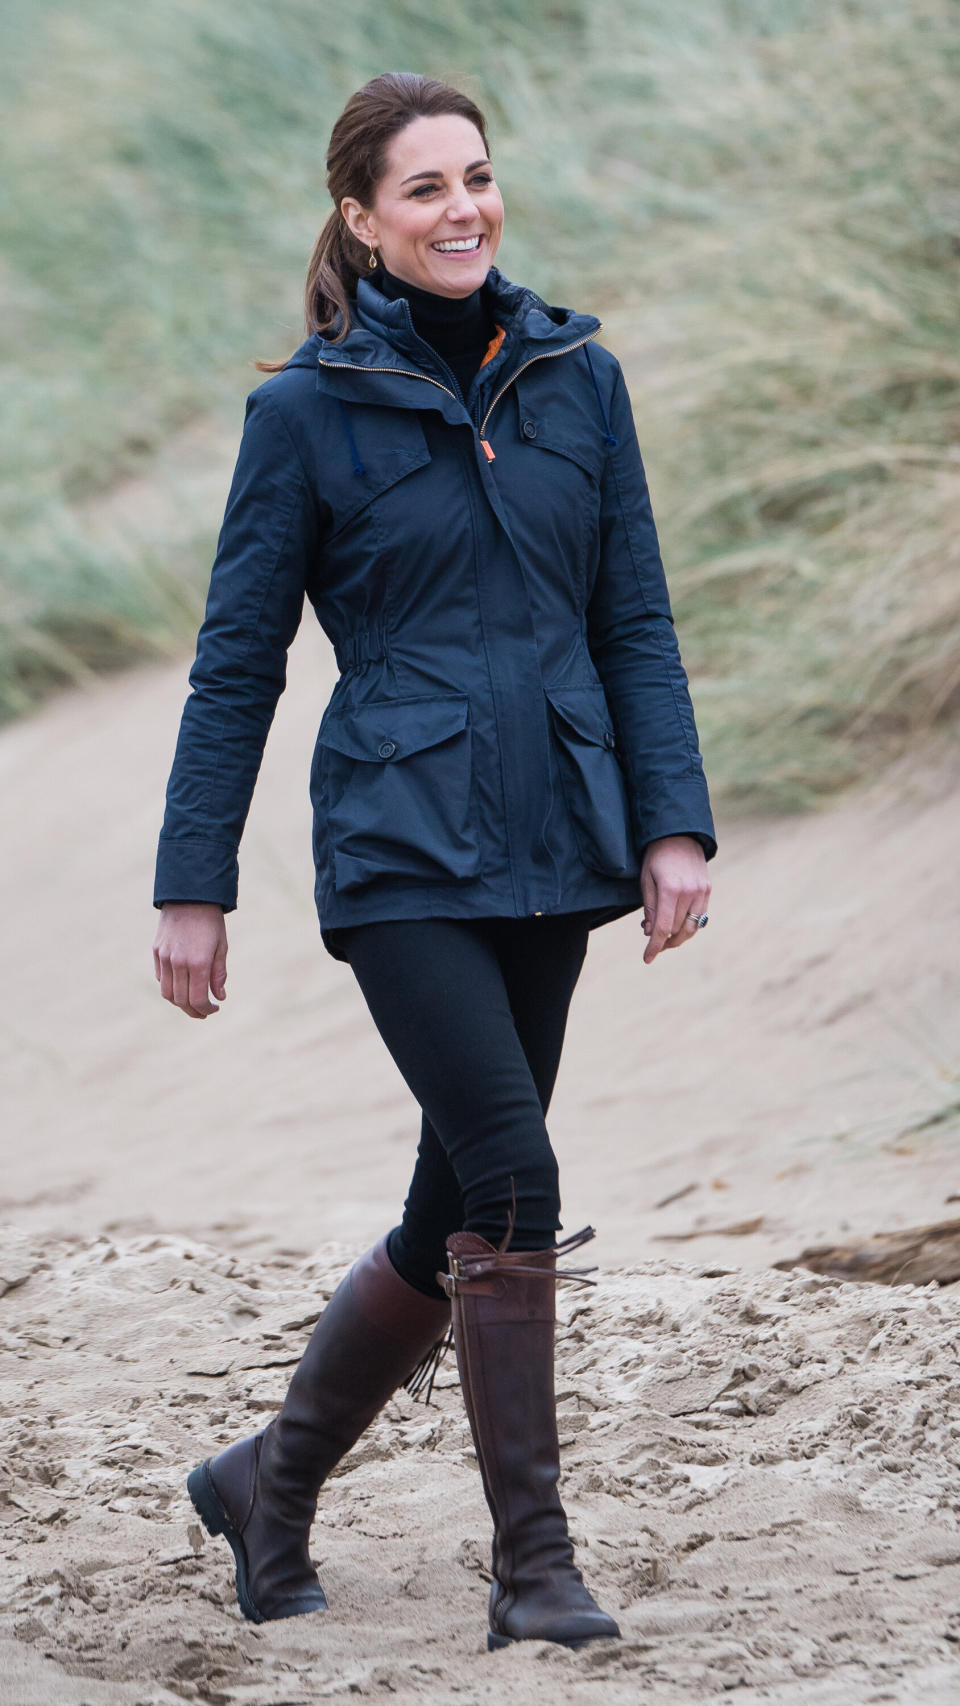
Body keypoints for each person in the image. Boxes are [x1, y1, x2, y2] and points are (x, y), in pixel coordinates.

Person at [152, 71, 716, 1652]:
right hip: (402, 851)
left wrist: (672, 819)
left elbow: (635, 623)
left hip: (559, 839)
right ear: (359, 216)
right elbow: (235, 665)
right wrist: (192, 880)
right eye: (425, 188)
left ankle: (268, 1481)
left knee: (450, 1205)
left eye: (479, 177)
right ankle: (534, 1567)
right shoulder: (304, 413)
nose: (463, 207)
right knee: (520, 1177)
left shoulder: (574, 379)